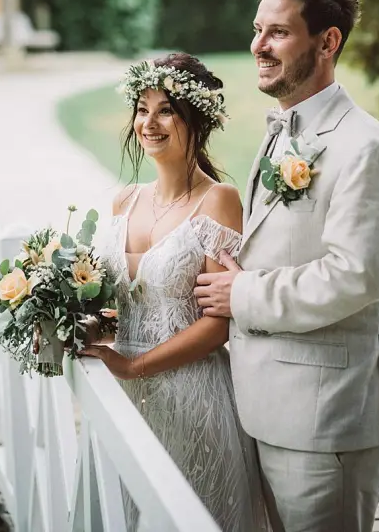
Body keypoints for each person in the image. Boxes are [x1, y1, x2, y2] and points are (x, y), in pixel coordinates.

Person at [193, 0, 379, 532]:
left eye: (279, 33)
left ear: (327, 42)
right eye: (258, 29)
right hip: (264, 405)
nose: (258, 45)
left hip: (324, 417)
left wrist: (241, 293)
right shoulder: (282, 128)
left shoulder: (365, 148)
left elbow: (354, 278)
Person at [80, 52, 271, 531]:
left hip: (193, 396)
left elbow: (218, 322)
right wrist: (75, 324)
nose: (150, 122)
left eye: (166, 109)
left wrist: (134, 366)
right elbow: (113, 305)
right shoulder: (124, 200)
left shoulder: (219, 200)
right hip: (123, 400)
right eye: (143, 109)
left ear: (198, 119)